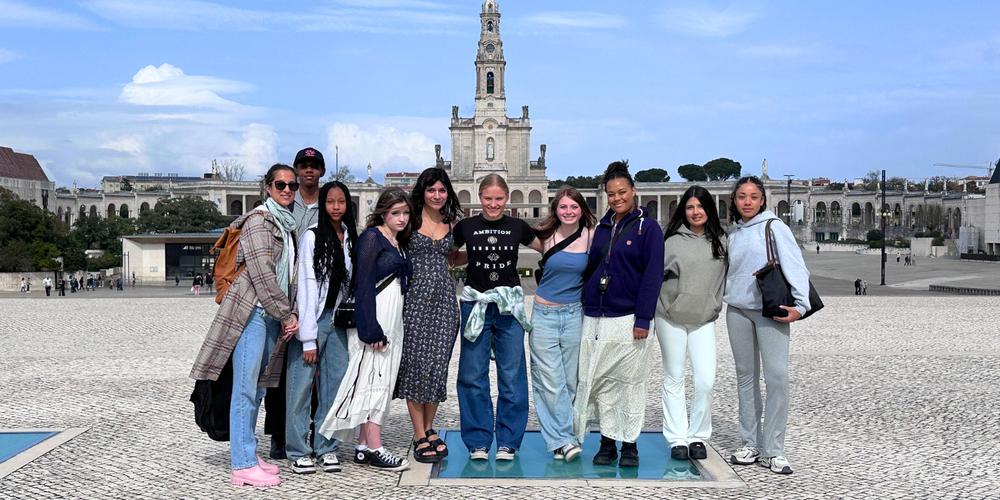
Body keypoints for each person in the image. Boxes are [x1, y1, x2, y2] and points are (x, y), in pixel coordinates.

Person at [190, 163, 300, 487]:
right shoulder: (258, 221)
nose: (287, 190)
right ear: (267, 187)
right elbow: (263, 273)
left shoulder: (285, 223)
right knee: (245, 389)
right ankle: (241, 464)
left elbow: (287, 275)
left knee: (259, 389)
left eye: (291, 185)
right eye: (280, 184)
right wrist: (287, 314)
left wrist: (284, 312)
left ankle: (248, 453)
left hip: (268, 316)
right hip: (251, 314)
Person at [574, 160, 664, 468]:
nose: (616, 198)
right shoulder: (600, 227)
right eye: (611, 194)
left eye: (622, 192)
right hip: (595, 317)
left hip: (627, 318)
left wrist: (643, 318)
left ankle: (630, 445)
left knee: (629, 382)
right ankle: (607, 441)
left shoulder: (648, 228)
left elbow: (652, 276)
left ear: (634, 192)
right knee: (599, 381)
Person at [319, 188, 413, 472]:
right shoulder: (372, 237)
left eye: (406, 213)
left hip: (392, 317)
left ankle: (362, 445)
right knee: (374, 380)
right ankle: (375, 447)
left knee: (379, 380)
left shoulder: (396, 241)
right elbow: (362, 285)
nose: (402, 218)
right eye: (396, 213)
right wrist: (370, 330)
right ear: (382, 212)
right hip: (375, 319)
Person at [452, 173, 543, 462]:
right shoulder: (466, 226)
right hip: (476, 304)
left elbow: (546, 247)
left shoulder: (518, 226)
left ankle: (508, 441)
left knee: (512, 374)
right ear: (480, 198)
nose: (493, 204)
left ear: (507, 199)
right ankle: (478, 440)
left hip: (509, 308)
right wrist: (477, 255)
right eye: (488, 198)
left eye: (499, 199)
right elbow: (451, 257)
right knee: (472, 374)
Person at [724, 176, 810, 475]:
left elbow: (795, 264)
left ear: (762, 200)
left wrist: (801, 306)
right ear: (734, 201)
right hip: (737, 310)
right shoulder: (733, 233)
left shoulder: (775, 227)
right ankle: (750, 443)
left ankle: (773, 449)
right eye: (741, 197)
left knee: (777, 378)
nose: (747, 202)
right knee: (746, 378)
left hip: (770, 310)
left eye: (753, 197)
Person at [286, 181, 358, 475]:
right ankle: (298, 450)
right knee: (301, 389)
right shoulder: (312, 237)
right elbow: (305, 285)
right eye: (331, 202)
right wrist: (307, 339)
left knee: (333, 388)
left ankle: (326, 446)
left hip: (338, 322)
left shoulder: (351, 239)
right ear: (323, 205)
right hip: (313, 319)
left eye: (341, 202)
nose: (336, 207)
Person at [395, 168, 464, 463]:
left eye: (442, 190)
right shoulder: (408, 220)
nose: (437, 195)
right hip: (414, 301)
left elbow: (452, 259)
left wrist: (483, 252)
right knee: (415, 366)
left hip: (445, 302)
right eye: (431, 190)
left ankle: (430, 427)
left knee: (437, 367)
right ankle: (418, 433)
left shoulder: (451, 222)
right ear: (422, 192)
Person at [655, 186, 727, 461]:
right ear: (683, 210)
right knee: (674, 378)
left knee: (705, 380)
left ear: (709, 209)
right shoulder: (671, 241)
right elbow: (652, 276)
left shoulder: (722, 240)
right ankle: (677, 439)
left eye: (701, 206)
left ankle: (698, 435)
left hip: (704, 318)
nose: (696, 212)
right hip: (670, 316)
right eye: (690, 207)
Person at [528, 186, 596, 462]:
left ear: (582, 209)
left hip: (573, 315)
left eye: (574, 207)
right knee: (548, 381)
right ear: (555, 209)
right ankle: (564, 439)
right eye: (563, 207)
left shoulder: (592, 237)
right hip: (543, 314)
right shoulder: (544, 236)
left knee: (570, 381)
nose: (569, 212)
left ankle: (562, 438)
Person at [292, 147, 325, 233]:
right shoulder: (288, 200)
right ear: (296, 170)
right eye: (303, 167)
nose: (309, 170)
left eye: (314, 167)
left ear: (322, 171)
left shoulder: (327, 203)